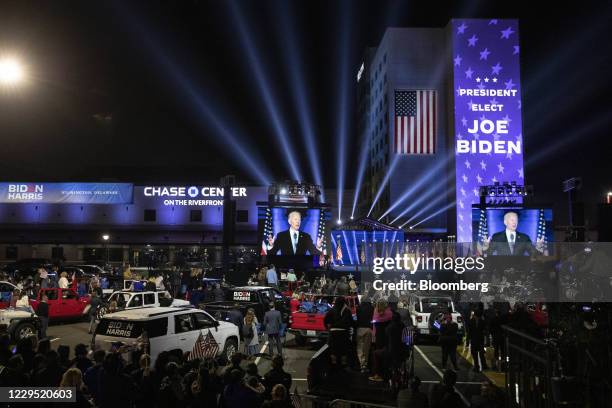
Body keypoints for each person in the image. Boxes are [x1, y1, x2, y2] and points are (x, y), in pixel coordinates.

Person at [324, 296, 353, 367]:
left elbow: (326, 319)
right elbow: (351, 322)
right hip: (344, 333)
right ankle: (343, 365)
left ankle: (334, 364)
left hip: (333, 332)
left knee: (333, 350)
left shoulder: (332, 310)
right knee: (343, 350)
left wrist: (328, 328)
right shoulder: (347, 310)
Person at [355, 297, 374, 372]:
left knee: (359, 347)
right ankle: (364, 365)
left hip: (359, 328)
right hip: (368, 329)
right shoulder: (372, 308)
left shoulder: (358, 308)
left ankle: (361, 364)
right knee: (366, 348)